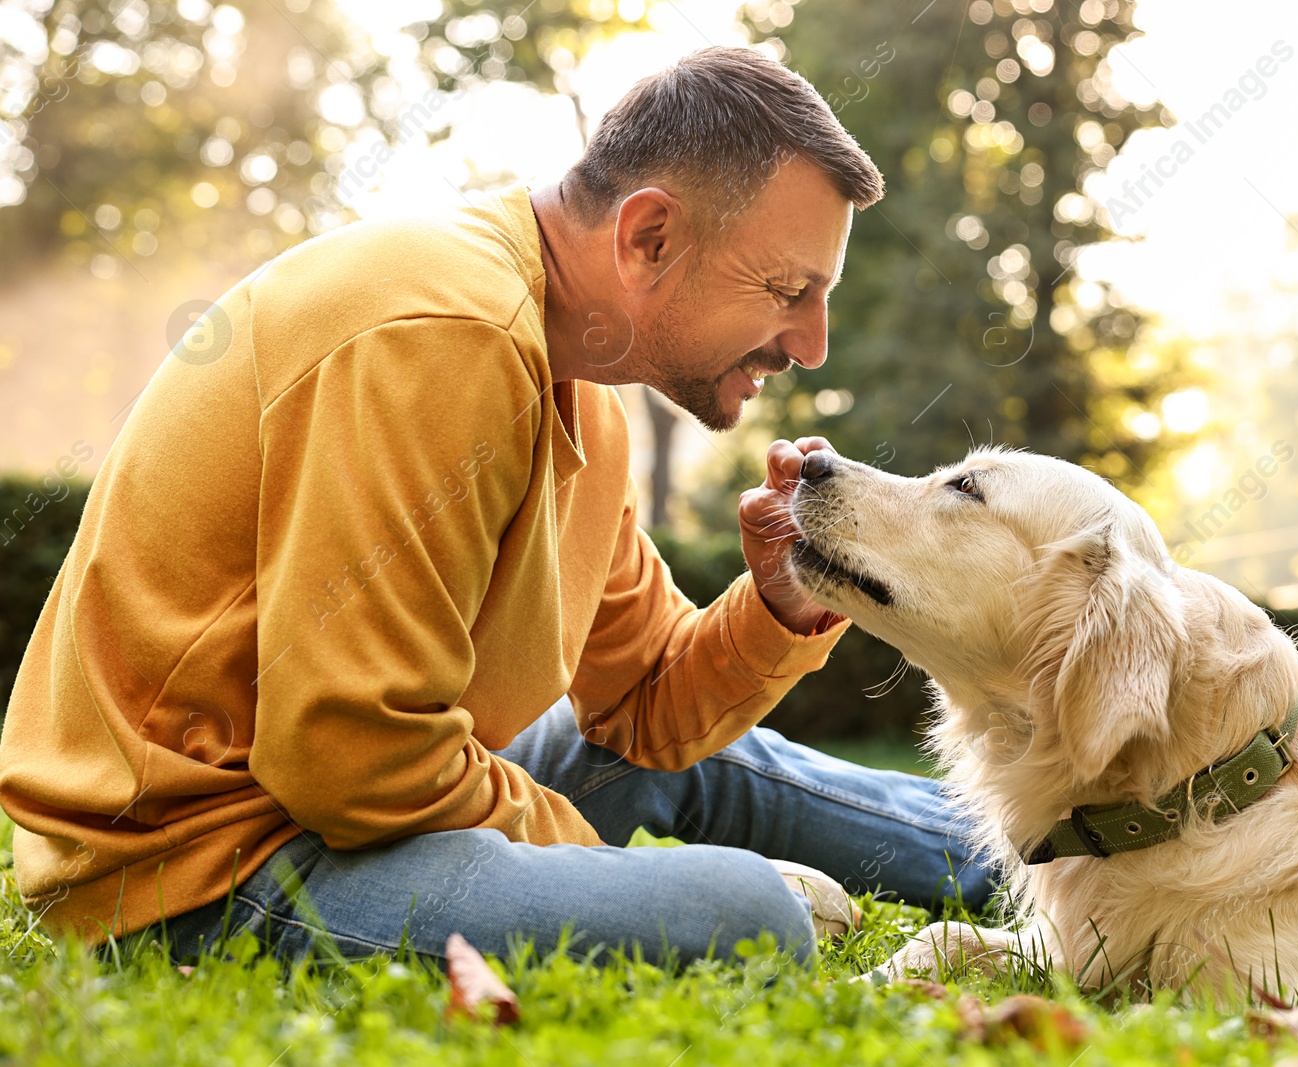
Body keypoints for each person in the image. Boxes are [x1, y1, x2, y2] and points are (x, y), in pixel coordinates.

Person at [0, 46, 994, 967]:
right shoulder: (442, 333)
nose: (811, 342)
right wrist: (601, 865)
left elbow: (640, 706)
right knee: (743, 914)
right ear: (648, 236)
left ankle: (1064, 852)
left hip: (328, 803)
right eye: (787, 288)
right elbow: (354, 758)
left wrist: (777, 607)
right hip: (198, 866)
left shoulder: (572, 384)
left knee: (714, 769)